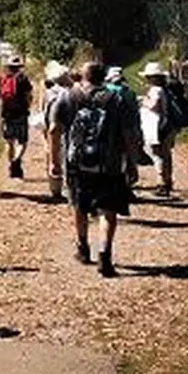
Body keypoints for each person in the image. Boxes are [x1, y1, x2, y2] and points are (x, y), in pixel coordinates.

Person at [50, 61, 140, 277]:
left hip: (76, 163)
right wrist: (132, 163)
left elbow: (54, 129)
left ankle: (82, 248)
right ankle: (105, 255)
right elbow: (129, 134)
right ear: (104, 78)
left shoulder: (68, 96)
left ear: (82, 76)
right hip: (109, 163)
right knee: (108, 211)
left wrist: (54, 161)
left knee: (79, 205)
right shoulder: (116, 100)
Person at [138, 62, 177, 196]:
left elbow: (154, 105)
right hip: (166, 126)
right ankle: (167, 180)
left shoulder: (156, 90)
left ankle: (162, 183)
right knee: (165, 155)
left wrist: (144, 101)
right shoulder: (165, 89)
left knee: (157, 155)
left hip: (157, 127)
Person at [0, 56, 34, 179]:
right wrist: (28, 105)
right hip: (21, 113)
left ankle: (11, 164)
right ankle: (17, 161)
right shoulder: (23, 78)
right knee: (23, 142)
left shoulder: (1, 79)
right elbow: (29, 96)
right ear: (19, 67)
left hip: (7, 114)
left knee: (9, 142)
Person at [105, 66, 143, 188]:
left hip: (110, 128)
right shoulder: (129, 92)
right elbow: (136, 112)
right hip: (129, 127)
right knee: (129, 156)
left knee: (112, 156)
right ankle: (128, 184)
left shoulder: (106, 91)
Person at [43, 61, 73, 200]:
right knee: (67, 158)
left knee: (52, 157)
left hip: (52, 128)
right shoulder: (71, 94)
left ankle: (55, 189)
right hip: (67, 130)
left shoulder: (49, 93)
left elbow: (44, 112)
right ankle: (70, 190)